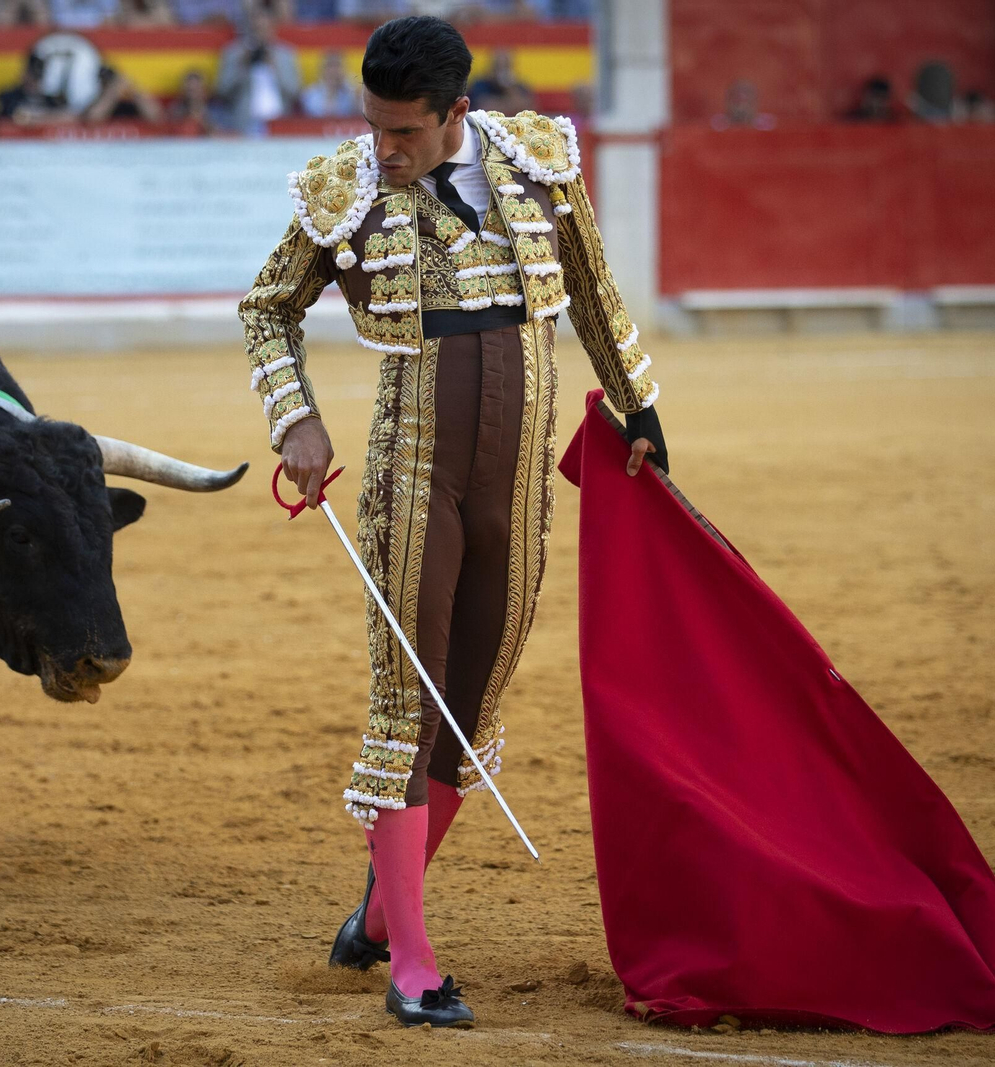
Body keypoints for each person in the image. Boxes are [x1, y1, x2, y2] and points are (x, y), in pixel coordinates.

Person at [239, 15, 666, 1029]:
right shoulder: (344, 186)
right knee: (408, 702)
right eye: (374, 127)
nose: (384, 149)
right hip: (410, 475)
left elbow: (594, 295)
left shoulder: (539, 162)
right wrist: (295, 419)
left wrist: (640, 405)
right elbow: (266, 308)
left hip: (516, 484)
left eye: (405, 132)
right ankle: (413, 963)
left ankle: (379, 915)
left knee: (469, 706)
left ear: (456, 114)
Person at [215, 8, 300, 133]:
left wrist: (275, 68)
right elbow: (223, 91)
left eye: (264, 29)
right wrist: (242, 66)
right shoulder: (234, 53)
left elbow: (294, 91)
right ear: (249, 29)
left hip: (279, 123)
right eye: (257, 29)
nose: (261, 35)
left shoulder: (285, 54)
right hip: (245, 123)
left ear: (273, 29)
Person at [83, 64, 164, 123]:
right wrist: (112, 92)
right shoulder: (93, 99)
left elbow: (156, 117)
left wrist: (133, 89)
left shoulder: (132, 102)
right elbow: (93, 119)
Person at [467, 49, 533, 113]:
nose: (502, 71)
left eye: (505, 66)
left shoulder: (518, 86)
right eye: (498, 66)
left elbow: (527, 110)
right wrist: (510, 104)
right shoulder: (479, 85)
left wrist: (509, 89)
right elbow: (484, 109)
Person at [300, 50, 358, 118]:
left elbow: (360, 113)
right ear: (321, 69)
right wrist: (331, 91)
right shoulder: (309, 94)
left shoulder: (352, 92)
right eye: (329, 66)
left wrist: (349, 87)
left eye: (337, 65)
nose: (333, 70)